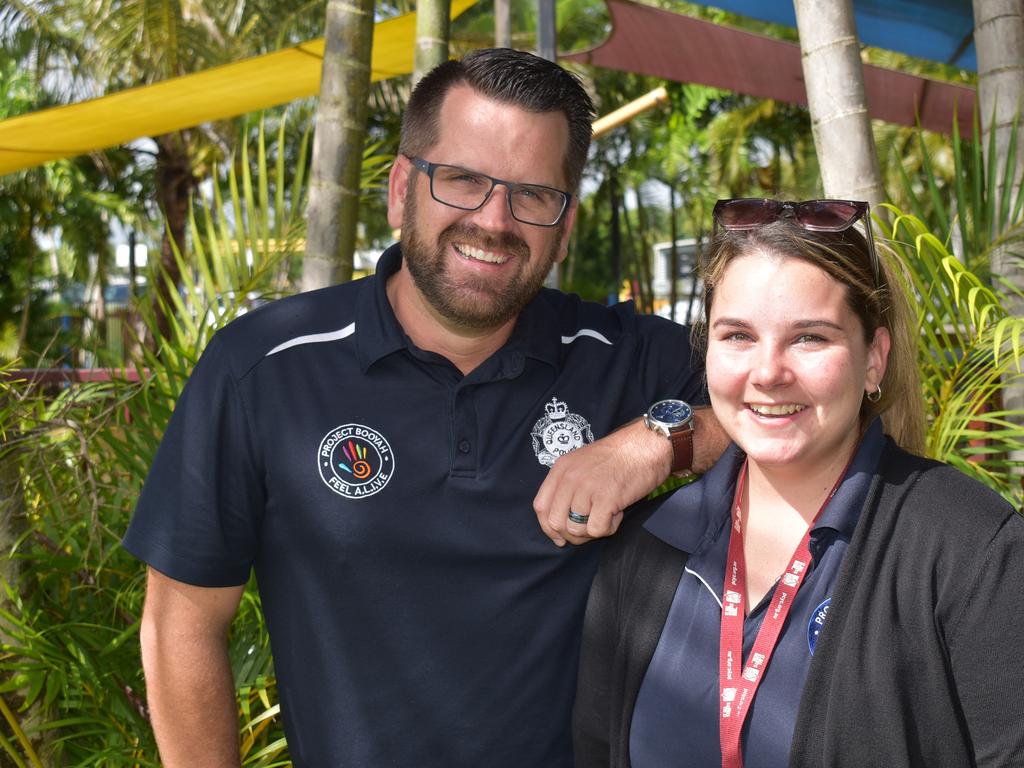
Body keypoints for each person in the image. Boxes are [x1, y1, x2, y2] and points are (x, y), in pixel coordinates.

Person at [123, 49, 728, 767]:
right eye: (464, 180)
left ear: (565, 227)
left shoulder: (621, 354)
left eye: (533, 195)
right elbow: (183, 619)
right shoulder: (265, 367)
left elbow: (786, 413)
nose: (494, 221)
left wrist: (656, 442)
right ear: (402, 189)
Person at [573, 198, 1024, 767]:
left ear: (874, 360)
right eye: (738, 335)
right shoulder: (648, 549)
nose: (767, 372)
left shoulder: (971, 550)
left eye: (810, 338)